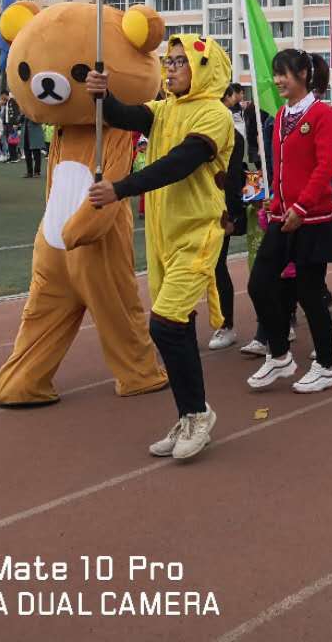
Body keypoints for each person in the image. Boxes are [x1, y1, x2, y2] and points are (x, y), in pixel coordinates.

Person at [83, 33, 236, 463]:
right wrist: (102, 92)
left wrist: (121, 188)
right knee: (178, 326)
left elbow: (179, 164)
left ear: (203, 69)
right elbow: (122, 114)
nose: (169, 69)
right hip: (163, 237)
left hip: (198, 234)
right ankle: (191, 413)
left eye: (178, 62)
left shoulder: (214, 115)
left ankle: (199, 415)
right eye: (167, 62)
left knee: (165, 325)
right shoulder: (164, 109)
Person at [245, 49, 332, 395]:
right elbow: (281, 169)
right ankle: (280, 355)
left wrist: (301, 207)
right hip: (282, 216)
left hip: (311, 218)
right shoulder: (282, 115)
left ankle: (327, 367)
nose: (277, 81)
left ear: (303, 72)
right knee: (258, 283)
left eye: (283, 73)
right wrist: (275, 205)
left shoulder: (321, 113)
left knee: (309, 293)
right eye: (275, 74)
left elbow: (324, 167)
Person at [206, 94, 248, 352]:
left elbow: (232, 179)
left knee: (217, 266)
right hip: (190, 208)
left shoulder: (234, 137)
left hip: (218, 210)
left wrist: (233, 215)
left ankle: (226, 325)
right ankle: (179, 323)